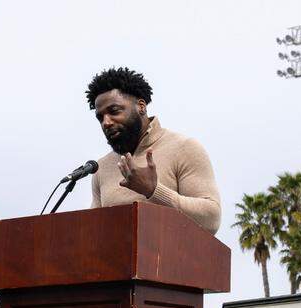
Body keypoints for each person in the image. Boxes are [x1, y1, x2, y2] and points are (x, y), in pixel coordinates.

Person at [85, 67, 221, 234]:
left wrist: (153, 190)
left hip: (170, 251)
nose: (106, 122)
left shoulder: (184, 148)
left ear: (141, 106)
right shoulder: (101, 168)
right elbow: (92, 231)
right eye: (100, 117)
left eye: (114, 111)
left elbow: (211, 219)